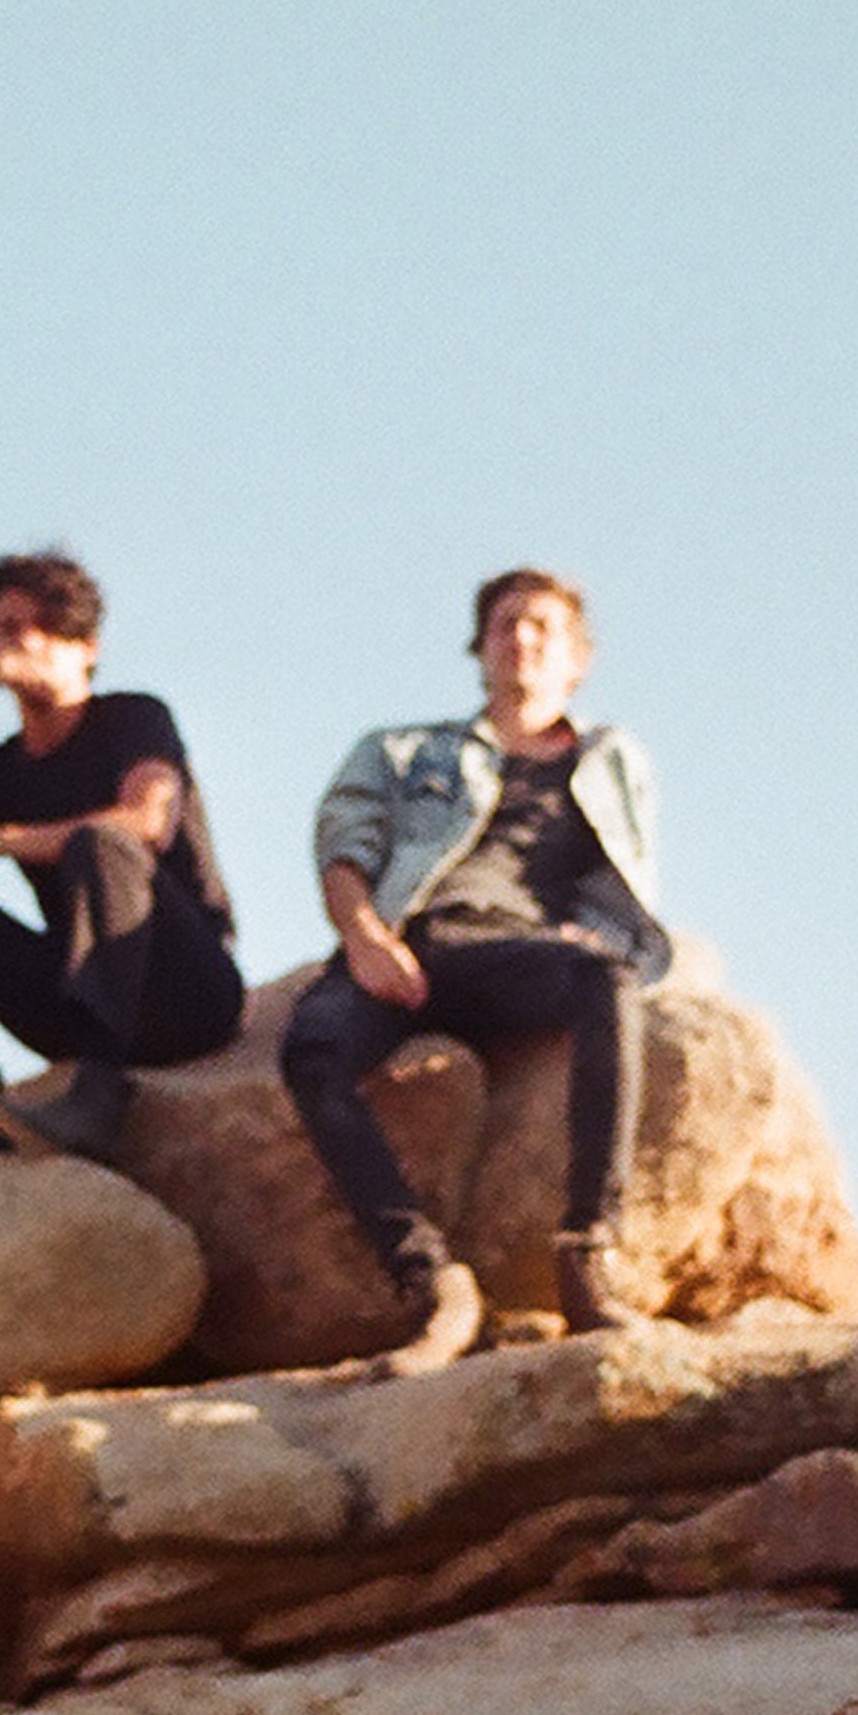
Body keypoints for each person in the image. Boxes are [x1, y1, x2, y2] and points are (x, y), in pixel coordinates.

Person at [280, 567, 670, 1373]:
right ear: (480, 648)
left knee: (605, 982)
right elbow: (343, 846)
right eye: (504, 625)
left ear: (579, 659)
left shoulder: (608, 761)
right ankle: (432, 1281)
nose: (520, 638)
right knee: (312, 1048)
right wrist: (364, 937)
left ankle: (586, 1255)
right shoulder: (402, 750)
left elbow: (627, 885)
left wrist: (594, 941)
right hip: (409, 945)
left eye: (542, 627)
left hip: (514, 953)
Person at [0, 551, 244, 1167]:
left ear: (87, 646)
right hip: (72, 1000)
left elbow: (147, 822)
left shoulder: (133, 719)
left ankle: (99, 1097)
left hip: (186, 992)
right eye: (6, 629)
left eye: (45, 627)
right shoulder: (2, 766)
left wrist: (4, 840)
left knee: (101, 842)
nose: (24, 642)